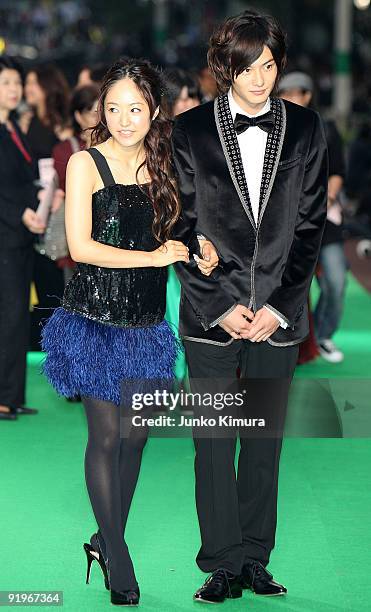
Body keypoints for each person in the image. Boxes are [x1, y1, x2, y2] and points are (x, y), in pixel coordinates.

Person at [40, 58, 215, 606]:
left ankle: (102, 536)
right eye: (112, 107)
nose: (122, 118)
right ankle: (117, 551)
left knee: (137, 436)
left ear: (154, 111)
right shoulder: (85, 164)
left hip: (145, 326)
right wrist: (153, 258)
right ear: (101, 111)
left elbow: (179, 229)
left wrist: (198, 247)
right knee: (108, 436)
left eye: (134, 108)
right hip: (92, 320)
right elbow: (81, 247)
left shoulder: (166, 164)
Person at [172, 9, 328, 603]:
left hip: (279, 315)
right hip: (212, 314)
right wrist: (221, 304)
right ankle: (221, 562)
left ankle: (256, 558)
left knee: (263, 444)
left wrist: (280, 307)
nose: (259, 79)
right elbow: (181, 227)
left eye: (268, 66)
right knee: (213, 444)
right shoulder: (189, 133)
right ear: (224, 69)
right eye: (246, 67)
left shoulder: (309, 130)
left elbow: (310, 226)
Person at [278, 71, 346, 363]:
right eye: (288, 93)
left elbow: (338, 172)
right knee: (293, 283)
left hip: (324, 220)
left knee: (335, 280)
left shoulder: (325, 127)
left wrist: (324, 200)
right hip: (285, 223)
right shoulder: (274, 127)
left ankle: (324, 334)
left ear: (308, 95)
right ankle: (295, 343)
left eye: (300, 93)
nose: (295, 98)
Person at [0, 56, 45, 421]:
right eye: (7, 83)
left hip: (21, 238)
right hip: (5, 237)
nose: (14, 90)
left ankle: (12, 395)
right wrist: (20, 211)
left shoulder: (13, 127)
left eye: (17, 83)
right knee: (8, 316)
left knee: (16, 317)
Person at [23, 64, 72, 350]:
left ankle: (54, 344)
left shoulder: (61, 123)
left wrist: (61, 191)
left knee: (54, 280)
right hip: (34, 209)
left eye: (32, 83)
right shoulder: (26, 122)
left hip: (58, 211)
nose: (27, 89)